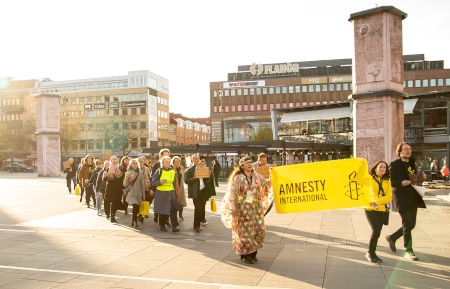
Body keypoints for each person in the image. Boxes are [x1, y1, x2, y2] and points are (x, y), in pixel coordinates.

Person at [220, 155, 270, 264]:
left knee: (258, 230)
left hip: (256, 208)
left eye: (250, 162)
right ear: (242, 166)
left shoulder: (257, 176)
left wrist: (274, 177)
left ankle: (254, 252)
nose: (249, 164)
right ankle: (247, 254)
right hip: (243, 209)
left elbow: (266, 185)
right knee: (245, 232)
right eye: (247, 163)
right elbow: (233, 194)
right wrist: (233, 208)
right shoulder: (238, 178)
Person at [386, 142, 427, 261]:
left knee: (411, 224)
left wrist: (421, 178)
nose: (408, 151)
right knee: (407, 223)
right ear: (400, 152)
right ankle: (408, 251)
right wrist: (400, 183)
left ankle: (392, 237)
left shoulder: (413, 163)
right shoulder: (395, 164)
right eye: (405, 149)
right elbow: (389, 181)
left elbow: (413, 179)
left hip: (413, 197)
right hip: (401, 198)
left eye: (409, 149)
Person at [364, 161, 392, 263]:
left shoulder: (387, 180)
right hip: (370, 209)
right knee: (376, 231)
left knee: (377, 233)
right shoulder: (369, 178)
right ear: (375, 168)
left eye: (384, 167)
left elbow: (389, 196)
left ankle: (371, 253)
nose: (382, 169)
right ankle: (371, 254)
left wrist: (377, 202)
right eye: (380, 167)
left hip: (382, 210)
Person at [151, 156, 182, 232]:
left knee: (172, 210)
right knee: (163, 210)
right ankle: (162, 225)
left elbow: (174, 182)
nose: (168, 163)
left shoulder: (172, 171)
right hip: (161, 193)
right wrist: (160, 182)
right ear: (163, 163)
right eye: (166, 161)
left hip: (170, 193)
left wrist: (174, 191)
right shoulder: (159, 171)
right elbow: (153, 182)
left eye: (169, 161)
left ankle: (174, 227)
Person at [185, 154, 211, 232]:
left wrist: (209, 175)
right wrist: (194, 178)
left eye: (198, 158)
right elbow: (186, 181)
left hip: (203, 191)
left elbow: (207, 181)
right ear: (192, 160)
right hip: (195, 192)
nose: (197, 160)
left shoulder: (203, 168)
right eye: (195, 158)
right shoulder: (189, 170)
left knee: (201, 208)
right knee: (198, 209)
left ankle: (197, 224)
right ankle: (196, 226)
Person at [151, 148, 171, 225]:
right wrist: (152, 189)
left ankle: (166, 221)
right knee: (159, 205)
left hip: (168, 190)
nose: (166, 155)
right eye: (164, 154)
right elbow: (153, 178)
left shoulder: (170, 166)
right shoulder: (157, 165)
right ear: (161, 155)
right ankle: (157, 216)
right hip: (158, 188)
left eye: (167, 154)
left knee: (167, 206)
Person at [124, 158, 145, 228]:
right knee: (135, 204)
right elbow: (124, 184)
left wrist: (143, 194)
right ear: (130, 165)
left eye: (136, 163)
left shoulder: (140, 172)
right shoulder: (128, 172)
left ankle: (133, 220)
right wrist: (126, 179)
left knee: (136, 207)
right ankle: (135, 221)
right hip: (131, 192)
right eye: (133, 163)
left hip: (138, 192)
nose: (135, 164)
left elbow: (142, 184)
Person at [103, 156, 124, 223]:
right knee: (108, 201)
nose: (114, 160)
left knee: (115, 202)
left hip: (117, 188)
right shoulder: (108, 169)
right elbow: (104, 179)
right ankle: (107, 213)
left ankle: (113, 216)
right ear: (111, 161)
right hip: (110, 187)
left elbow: (121, 178)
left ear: (117, 160)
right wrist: (106, 176)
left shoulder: (120, 168)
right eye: (113, 159)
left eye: (115, 159)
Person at [172, 156, 187, 220]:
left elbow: (185, 175)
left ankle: (180, 214)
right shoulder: (172, 169)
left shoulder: (181, 169)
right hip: (174, 187)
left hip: (181, 187)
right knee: (175, 201)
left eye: (178, 161)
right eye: (176, 161)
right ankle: (175, 215)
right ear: (173, 162)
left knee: (181, 201)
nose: (177, 162)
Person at [138, 156, 152, 222]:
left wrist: (150, 185)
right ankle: (140, 215)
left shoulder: (146, 168)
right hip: (138, 187)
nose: (140, 163)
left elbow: (150, 177)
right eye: (139, 162)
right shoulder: (136, 169)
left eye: (142, 162)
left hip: (146, 186)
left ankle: (145, 211)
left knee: (147, 199)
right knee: (140, 200)